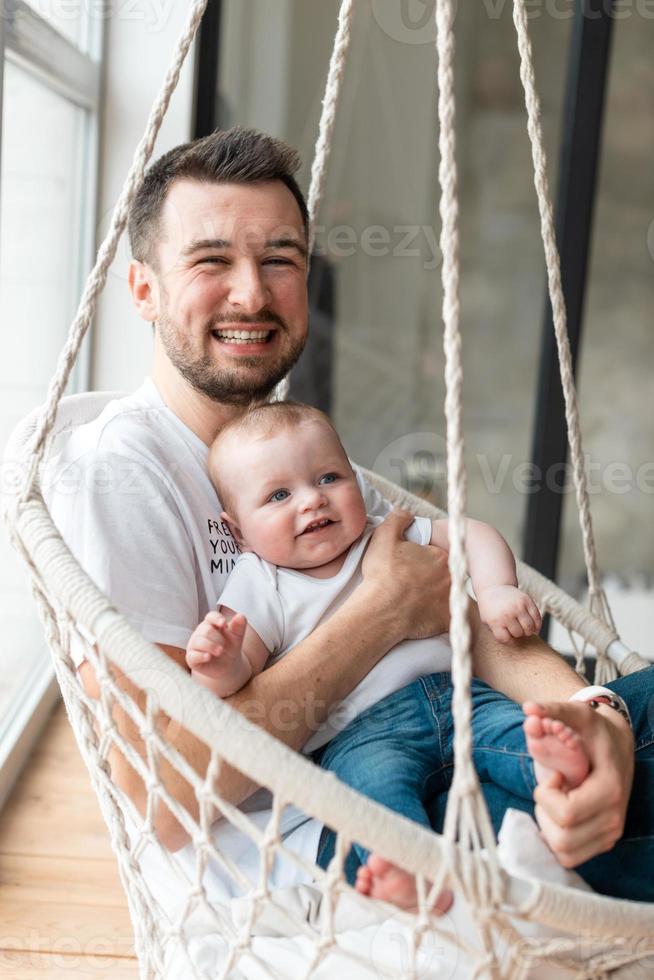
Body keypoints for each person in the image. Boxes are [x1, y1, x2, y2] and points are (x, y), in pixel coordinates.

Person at [45, 126, 646, 905]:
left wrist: (594, 720)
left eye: (280, 261)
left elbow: (464, 615)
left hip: (474, 737)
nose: (252, 294)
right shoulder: (119, 477)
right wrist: (384, 608)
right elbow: (169, 786)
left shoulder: (314, 463)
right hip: (330, 829)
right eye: (211, 260)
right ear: (143, 290)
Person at [186, 399, 597, 910]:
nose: (312, 501)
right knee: (372, 795)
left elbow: (474, 535)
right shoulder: (260, 584)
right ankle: (412, 875)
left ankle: (563, 773)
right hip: (357, 734)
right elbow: (239, 678)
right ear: (238, 531)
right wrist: (220, 662)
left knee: (515, 735)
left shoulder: (383, 534)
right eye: (278, 495)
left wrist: (495, 590)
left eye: (329, 477)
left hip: (460, 696)